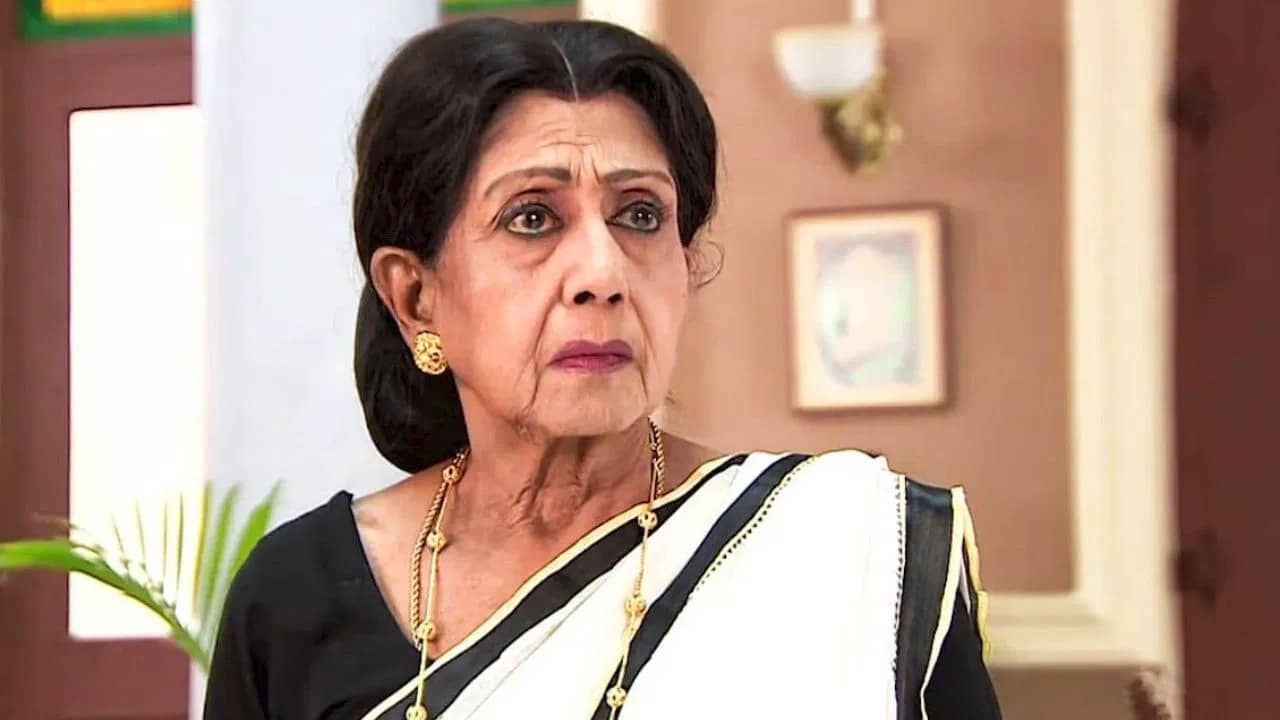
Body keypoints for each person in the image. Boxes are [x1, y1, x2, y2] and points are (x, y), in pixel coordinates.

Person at [204, 17, 1002, 720]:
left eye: (640, 216)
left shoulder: (847, 552)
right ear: (416, 298)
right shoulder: (297, 598)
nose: (603, 271)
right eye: (533, 218)